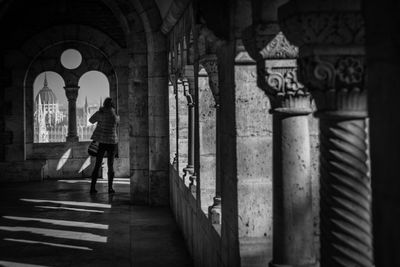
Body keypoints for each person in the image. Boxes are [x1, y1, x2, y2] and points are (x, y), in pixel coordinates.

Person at [89, 97, 119, 194]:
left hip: (101, 142)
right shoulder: (115, 115)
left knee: (97, 165)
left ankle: (92, 188)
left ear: (104, 104)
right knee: (110, 166)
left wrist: (100, 112)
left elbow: (90, 120)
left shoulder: (100, 113)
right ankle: (110, 188)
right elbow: (118, 123)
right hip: (112, 142)